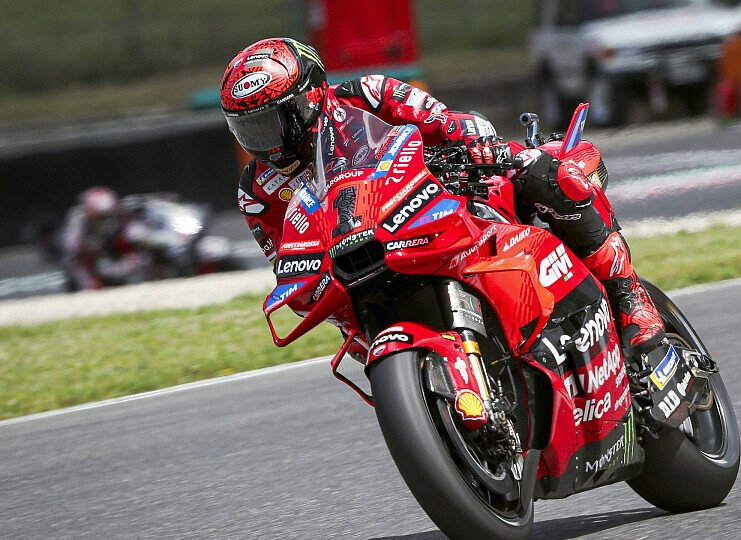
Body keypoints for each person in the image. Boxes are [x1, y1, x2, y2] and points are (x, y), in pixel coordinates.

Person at [220, 38, 666, 364]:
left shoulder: (368, 95)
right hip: (364, 261)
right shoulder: (256, 192)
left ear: (310, 98)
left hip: (435, 203)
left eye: (272, 122)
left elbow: (444, 122)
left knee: (551, 173)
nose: (264, 141)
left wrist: (476, 146)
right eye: (250, 129)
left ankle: (630, 299)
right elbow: (287, 260)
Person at [60, 187, 146, 290]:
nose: (106, 220)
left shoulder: (123, 213)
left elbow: (138, 234)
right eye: (101, 217)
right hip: (94, 263)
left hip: (116, 256)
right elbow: (72, 250)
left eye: (109, 215)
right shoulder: (78, 218)